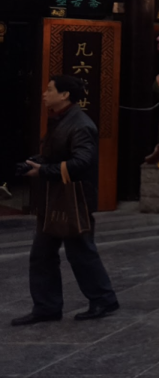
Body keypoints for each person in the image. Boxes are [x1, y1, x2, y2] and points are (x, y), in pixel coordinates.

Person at [12, 76, 119, 326]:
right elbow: (55, 154)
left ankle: (104, 298)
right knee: (42, 254)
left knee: (80, 252)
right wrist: (32, 163)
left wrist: (43, 171)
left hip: (73, 197)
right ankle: (47, 307)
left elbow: (82, 162)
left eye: (49, 90)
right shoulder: (61, 120)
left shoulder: (81, 124)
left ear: (65, 96)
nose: (44, 94)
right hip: (55, 198)